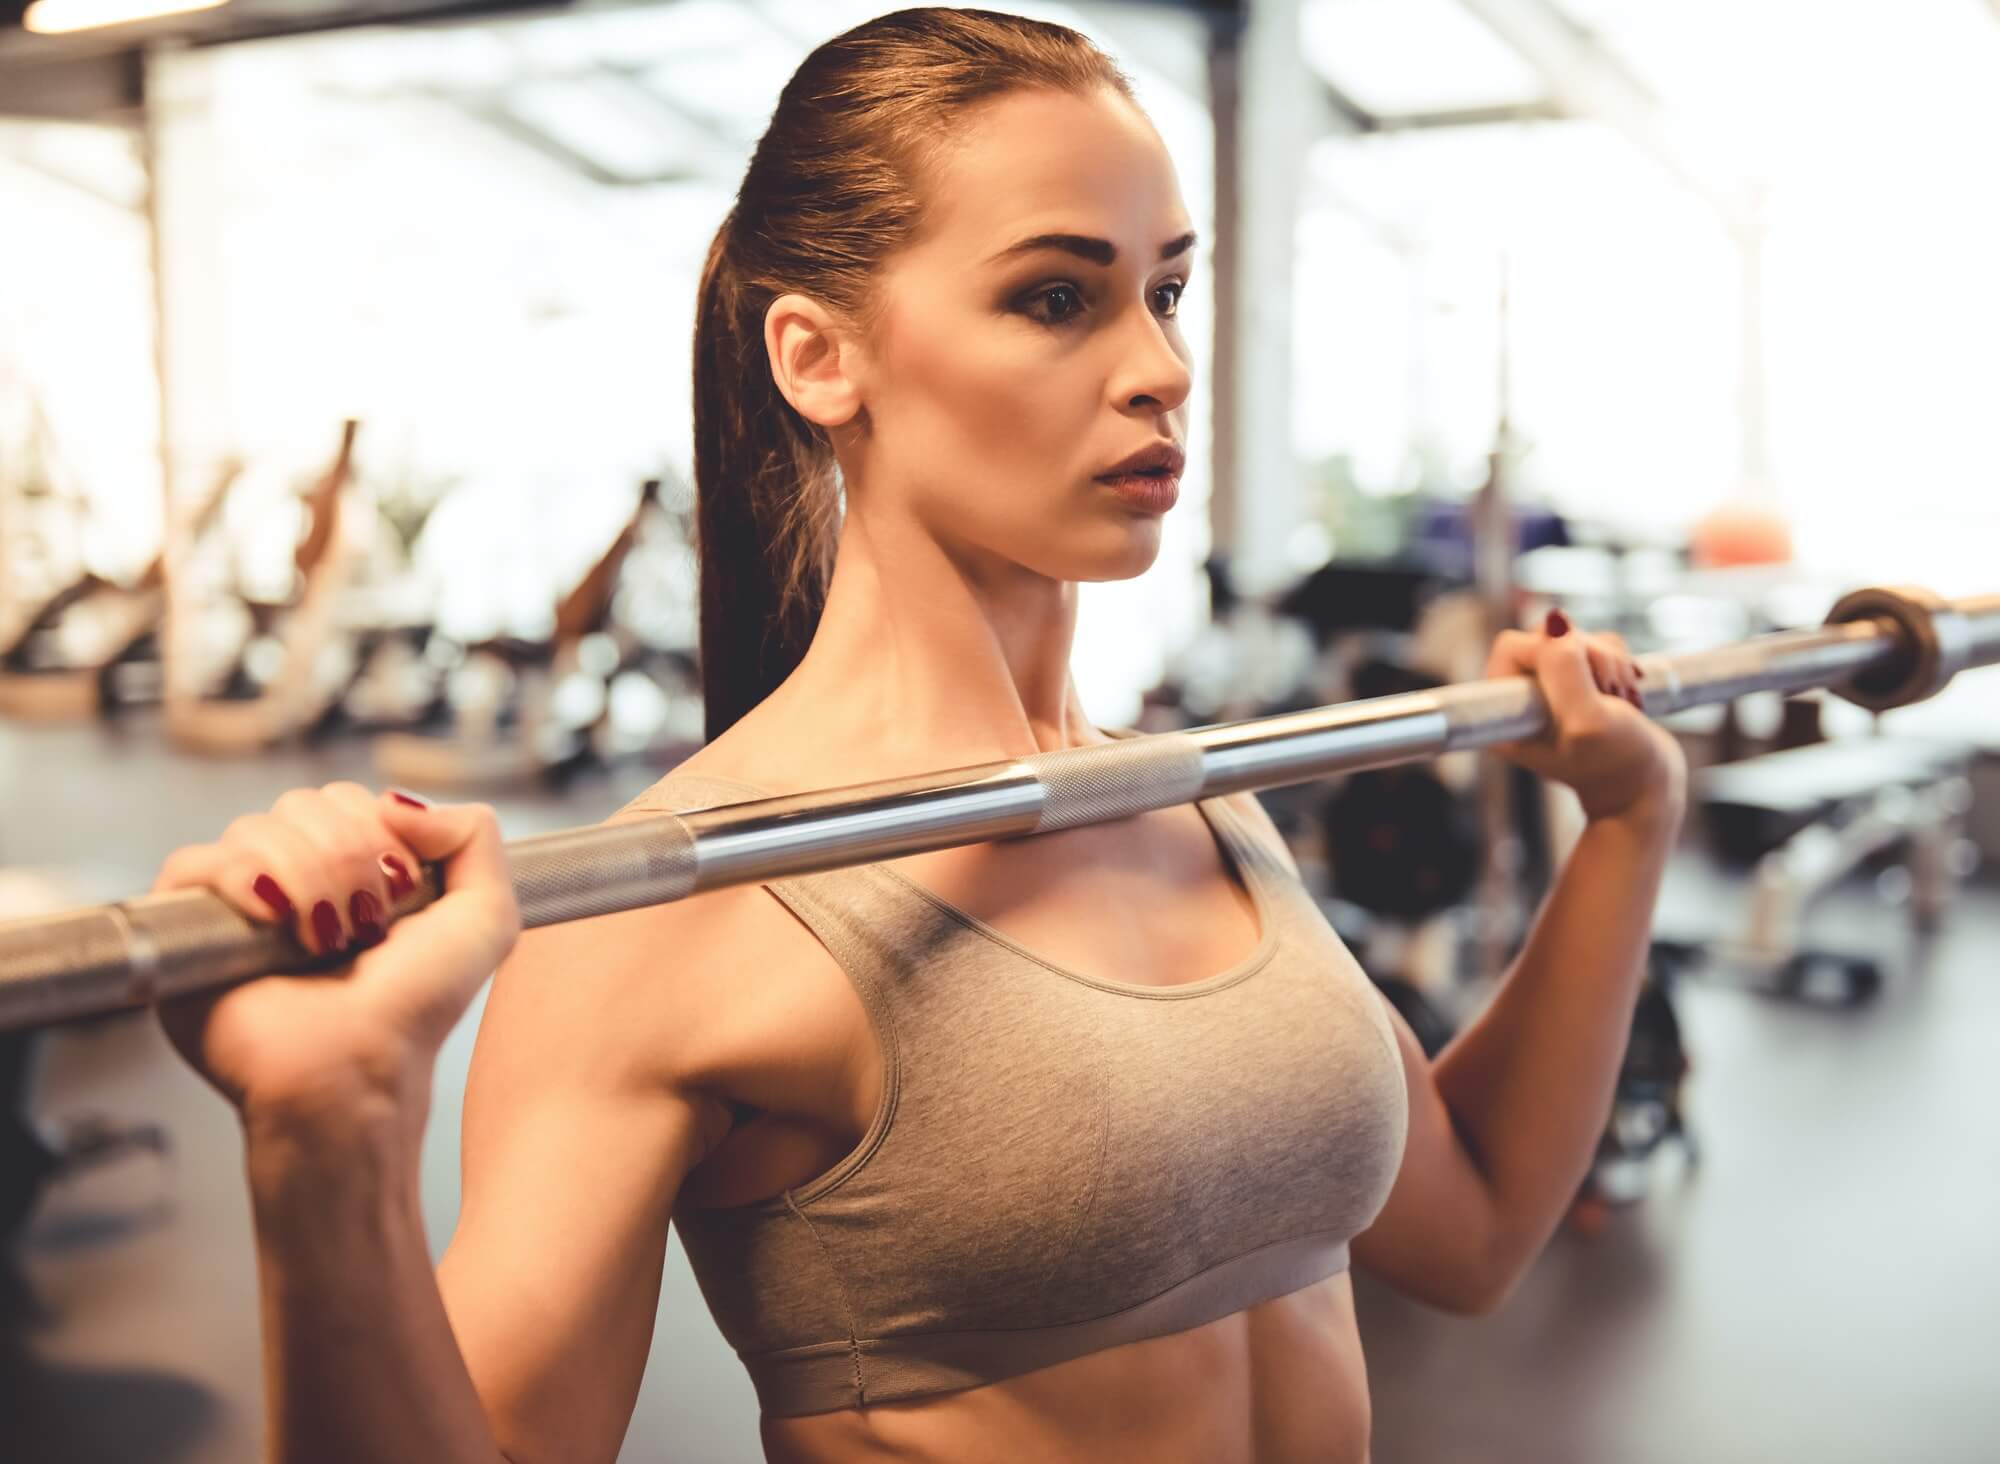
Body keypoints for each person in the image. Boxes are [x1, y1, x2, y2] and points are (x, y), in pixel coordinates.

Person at [152, 10, 1687, 1463]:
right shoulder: (676, 914)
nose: (1159, 366)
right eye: (1055, 296)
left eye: (1165, 289)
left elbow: (1476, 1227)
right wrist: (332, 1140)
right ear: (822, 358)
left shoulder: (1202, 803)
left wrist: (1629, 826)